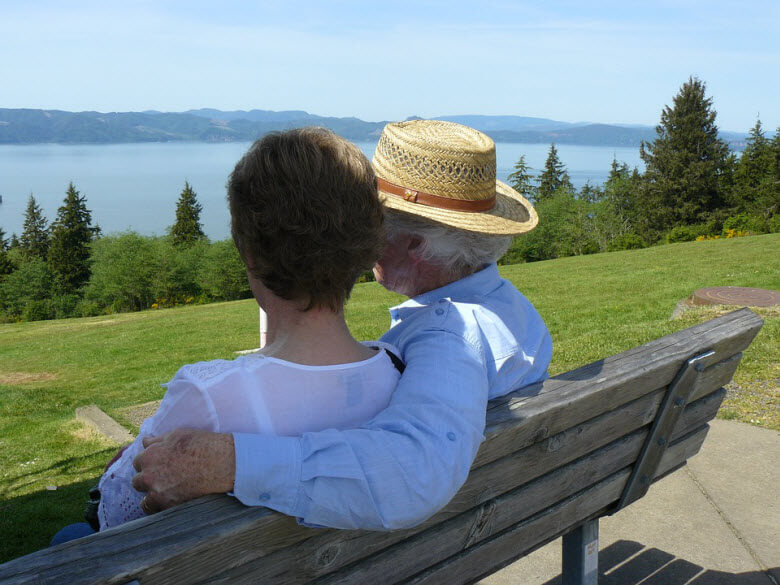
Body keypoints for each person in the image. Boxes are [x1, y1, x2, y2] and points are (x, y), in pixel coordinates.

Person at [132, 120, 553, 530]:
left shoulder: (450, 336)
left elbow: (416, 473)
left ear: (415, 245)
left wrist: (231, 461)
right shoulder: (512, 311)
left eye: (371, 221)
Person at [53, 127, 403, 542]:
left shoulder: (210, 394)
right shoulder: (400, 373)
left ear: (249, 252)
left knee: (69, 537)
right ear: (365, 246)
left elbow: (117, 516)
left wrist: (115, 472)